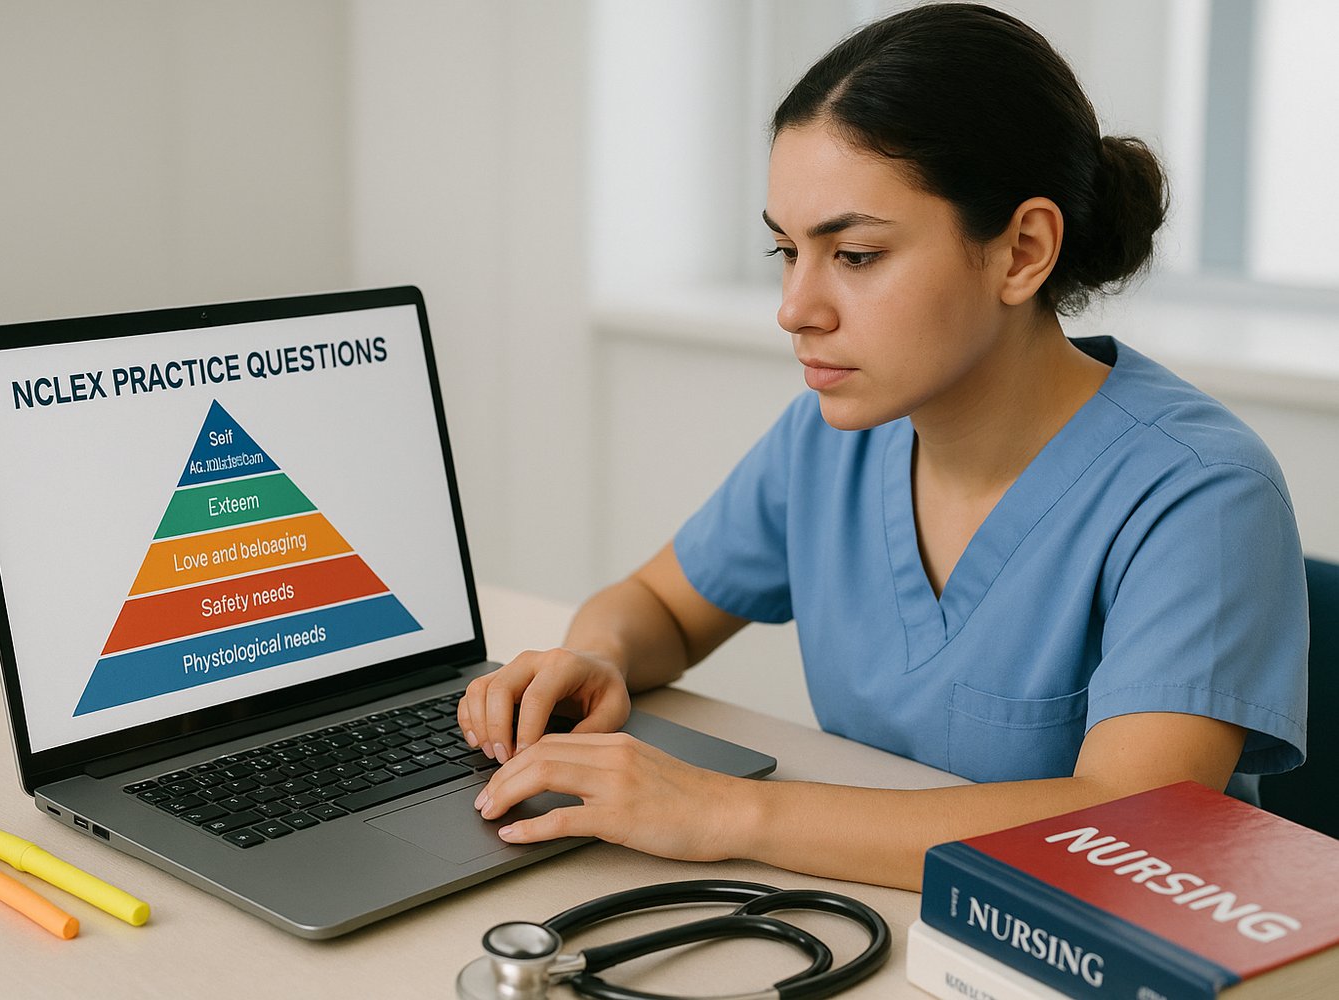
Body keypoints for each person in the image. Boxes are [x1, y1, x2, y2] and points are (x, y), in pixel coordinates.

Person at [457, 3, 1308, 891]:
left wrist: (722, 810)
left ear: (1023, 251)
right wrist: (598, 657)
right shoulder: (834, 440)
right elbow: (661, 608)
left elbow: (1130, 830)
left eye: (856, 254)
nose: (795, 307)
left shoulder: (1202, 496)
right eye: (785, 249)